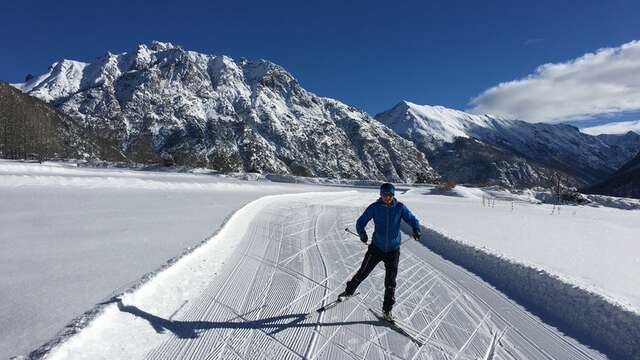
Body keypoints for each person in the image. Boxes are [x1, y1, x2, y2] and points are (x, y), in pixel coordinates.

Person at [338, 183, 422, 321]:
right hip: (376, 248)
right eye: (384, 195)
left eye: (390, 195)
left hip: (393, 250)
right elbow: (361, 221)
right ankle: (348, 292)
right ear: (380, 194)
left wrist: (416, 228)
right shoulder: (374, 207)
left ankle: (387, 310)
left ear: (393, 195)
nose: (387, 197)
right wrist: (362, 233)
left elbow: (412, 219)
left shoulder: (400, 207)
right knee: (363, 272)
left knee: (390, 281)